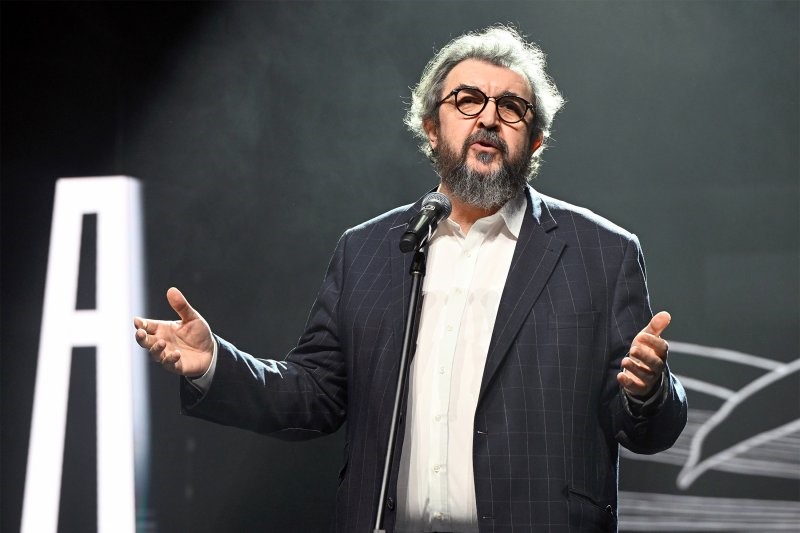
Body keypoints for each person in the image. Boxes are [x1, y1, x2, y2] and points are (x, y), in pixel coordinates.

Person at [134, 25, 687, 533]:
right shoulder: (367, 251)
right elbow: (314, 393)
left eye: (512, 107)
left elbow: (648, 428)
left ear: (536, 140)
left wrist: (649, 391)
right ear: (431, 126)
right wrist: (216, 364)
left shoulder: (601, 253)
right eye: (467, 100)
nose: (488, 118)